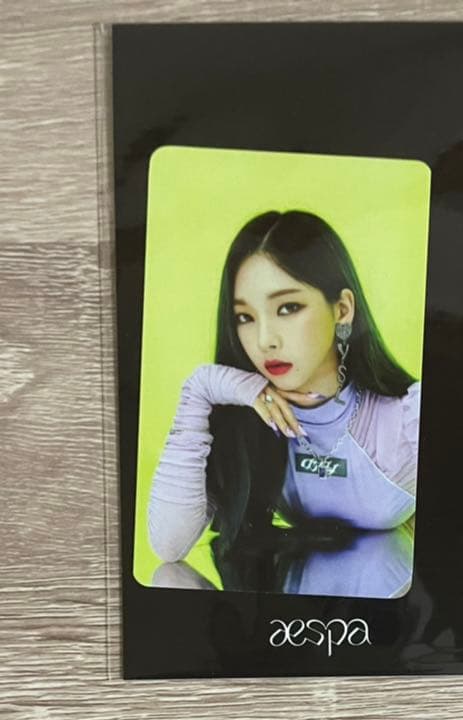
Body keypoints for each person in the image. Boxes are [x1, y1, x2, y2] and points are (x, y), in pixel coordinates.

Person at [148, 210, 422, 585]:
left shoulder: (407, 418)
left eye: (288, 308)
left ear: (342, 309)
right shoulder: (244, 421)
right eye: (245, 317)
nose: (265, 341)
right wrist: (201, 388)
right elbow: (168, 548)